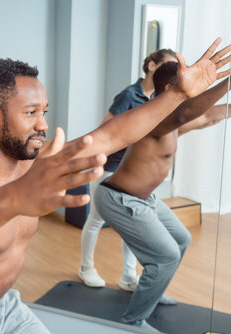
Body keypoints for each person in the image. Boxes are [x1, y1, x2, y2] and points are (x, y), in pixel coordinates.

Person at [0, 39, 231, 334]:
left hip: (2, 313)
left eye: (45, 111)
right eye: (30, 113)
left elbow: (110, 135)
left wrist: (175, 96)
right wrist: (15, 198)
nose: (43, 124)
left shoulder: (32, 167)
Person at [93, 48, 231, 331]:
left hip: (144, 199)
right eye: (190, 81)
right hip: (120, 199)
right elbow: (188, 113)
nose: (196, 87)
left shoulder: (172, 118)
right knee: (165, 257)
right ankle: (133, 322)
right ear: (170, 89)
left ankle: (151, 290)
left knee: (180, 240)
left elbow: (209, 116)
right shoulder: (152, 116)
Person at [79, 49, 178, 290]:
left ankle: (128, 275)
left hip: (135, 173)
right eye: (167, 66)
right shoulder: (128, 96)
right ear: (153, 66)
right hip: (112, 170)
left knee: (132, 229)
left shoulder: (162, 100)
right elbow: (105, 130)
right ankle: (86, 268)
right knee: (96, 220)